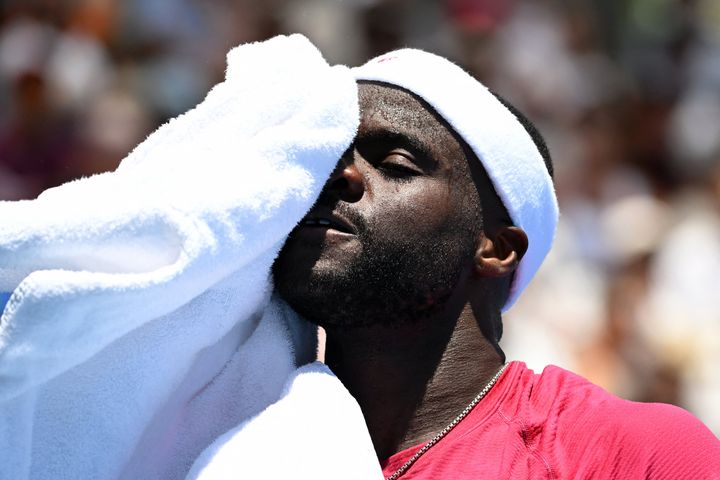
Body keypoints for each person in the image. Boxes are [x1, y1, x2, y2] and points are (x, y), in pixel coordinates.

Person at [272, 49, 720, 478]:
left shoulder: (634, 453)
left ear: (495, 248)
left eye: (396, 162)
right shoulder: (233, 441)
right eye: (328, 157)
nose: (341, 174)